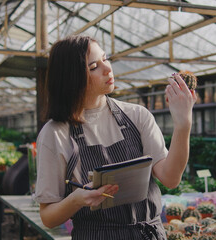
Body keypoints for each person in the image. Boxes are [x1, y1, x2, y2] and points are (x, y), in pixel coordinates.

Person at [33, 35, 196, 239]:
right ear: (71, 77)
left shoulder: (137, 116)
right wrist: (76, 199)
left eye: (105, 58)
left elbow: (170, 178)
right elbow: (48, 216)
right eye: (93, 66)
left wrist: (183, 124)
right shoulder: (55, 134)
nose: (108, 69)